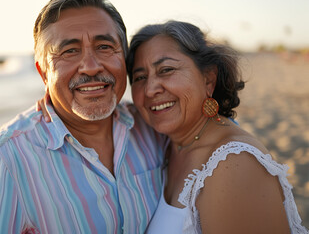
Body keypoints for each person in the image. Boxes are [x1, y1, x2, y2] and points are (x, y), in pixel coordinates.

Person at [0, 0, 168, 233]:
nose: (91, 66)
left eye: (104, 47)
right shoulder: (6, 158)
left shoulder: (152, 126)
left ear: (124, 60)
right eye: (69, 51)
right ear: (43, 73)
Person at [125, 20, 308, 233]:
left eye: (166, 70)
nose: (149, 90)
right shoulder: (166, 146)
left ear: (208, 79)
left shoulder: (233, 164)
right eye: (140, 77)